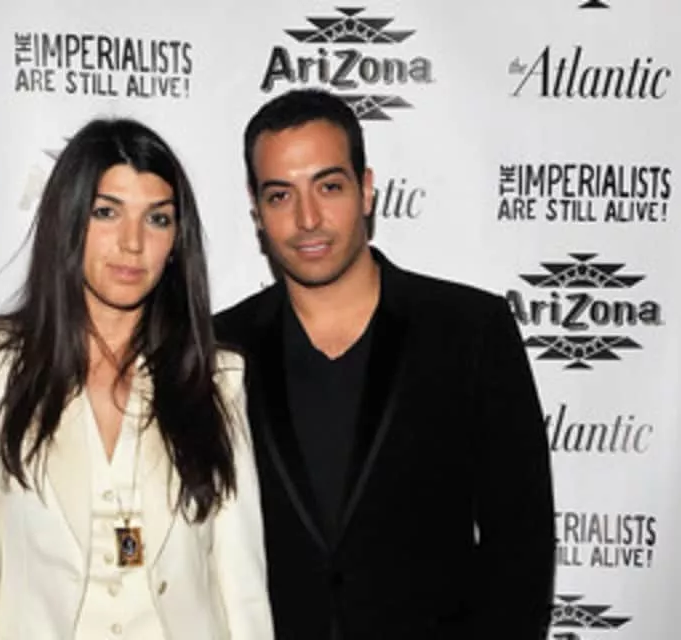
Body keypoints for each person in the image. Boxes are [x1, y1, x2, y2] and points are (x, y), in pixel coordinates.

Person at [214, 88, 556, 639]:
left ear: (367, 189)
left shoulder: (470, 331)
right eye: (280, 196)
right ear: (256, 210)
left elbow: (522, 544)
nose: (307, 218)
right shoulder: (219, 349)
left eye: (329, 186)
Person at [0, 118, 274, 640]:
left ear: (176, 242)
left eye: (157, 219)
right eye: (106, 212)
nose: (132, 242)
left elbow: (241, 586)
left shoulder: (216, 379)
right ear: (68, 220)